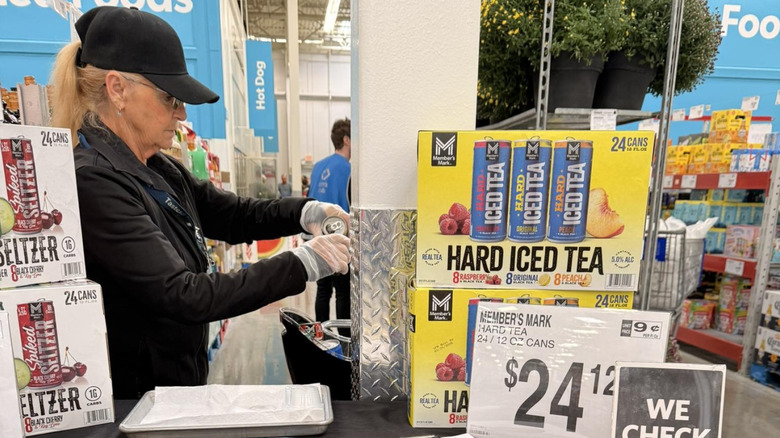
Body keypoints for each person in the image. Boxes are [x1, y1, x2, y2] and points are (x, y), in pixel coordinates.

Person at [50, 6, 351, 399]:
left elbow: (231, 214)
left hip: (175, 391)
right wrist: (303, 262)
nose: (182, 112)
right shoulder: (93, 180)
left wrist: (305, 212)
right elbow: (184, 293)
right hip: (136, 404)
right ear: (117, 88)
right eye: (170, 97)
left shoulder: (157, 167)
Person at [308, 119, 351, 323]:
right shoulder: (349, 169)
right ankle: (345, 342)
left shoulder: (317, 167)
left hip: (316, 237)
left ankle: (321, 337)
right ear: (347, 140)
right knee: (343, 292)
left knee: (323, 289)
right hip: (338, 237)